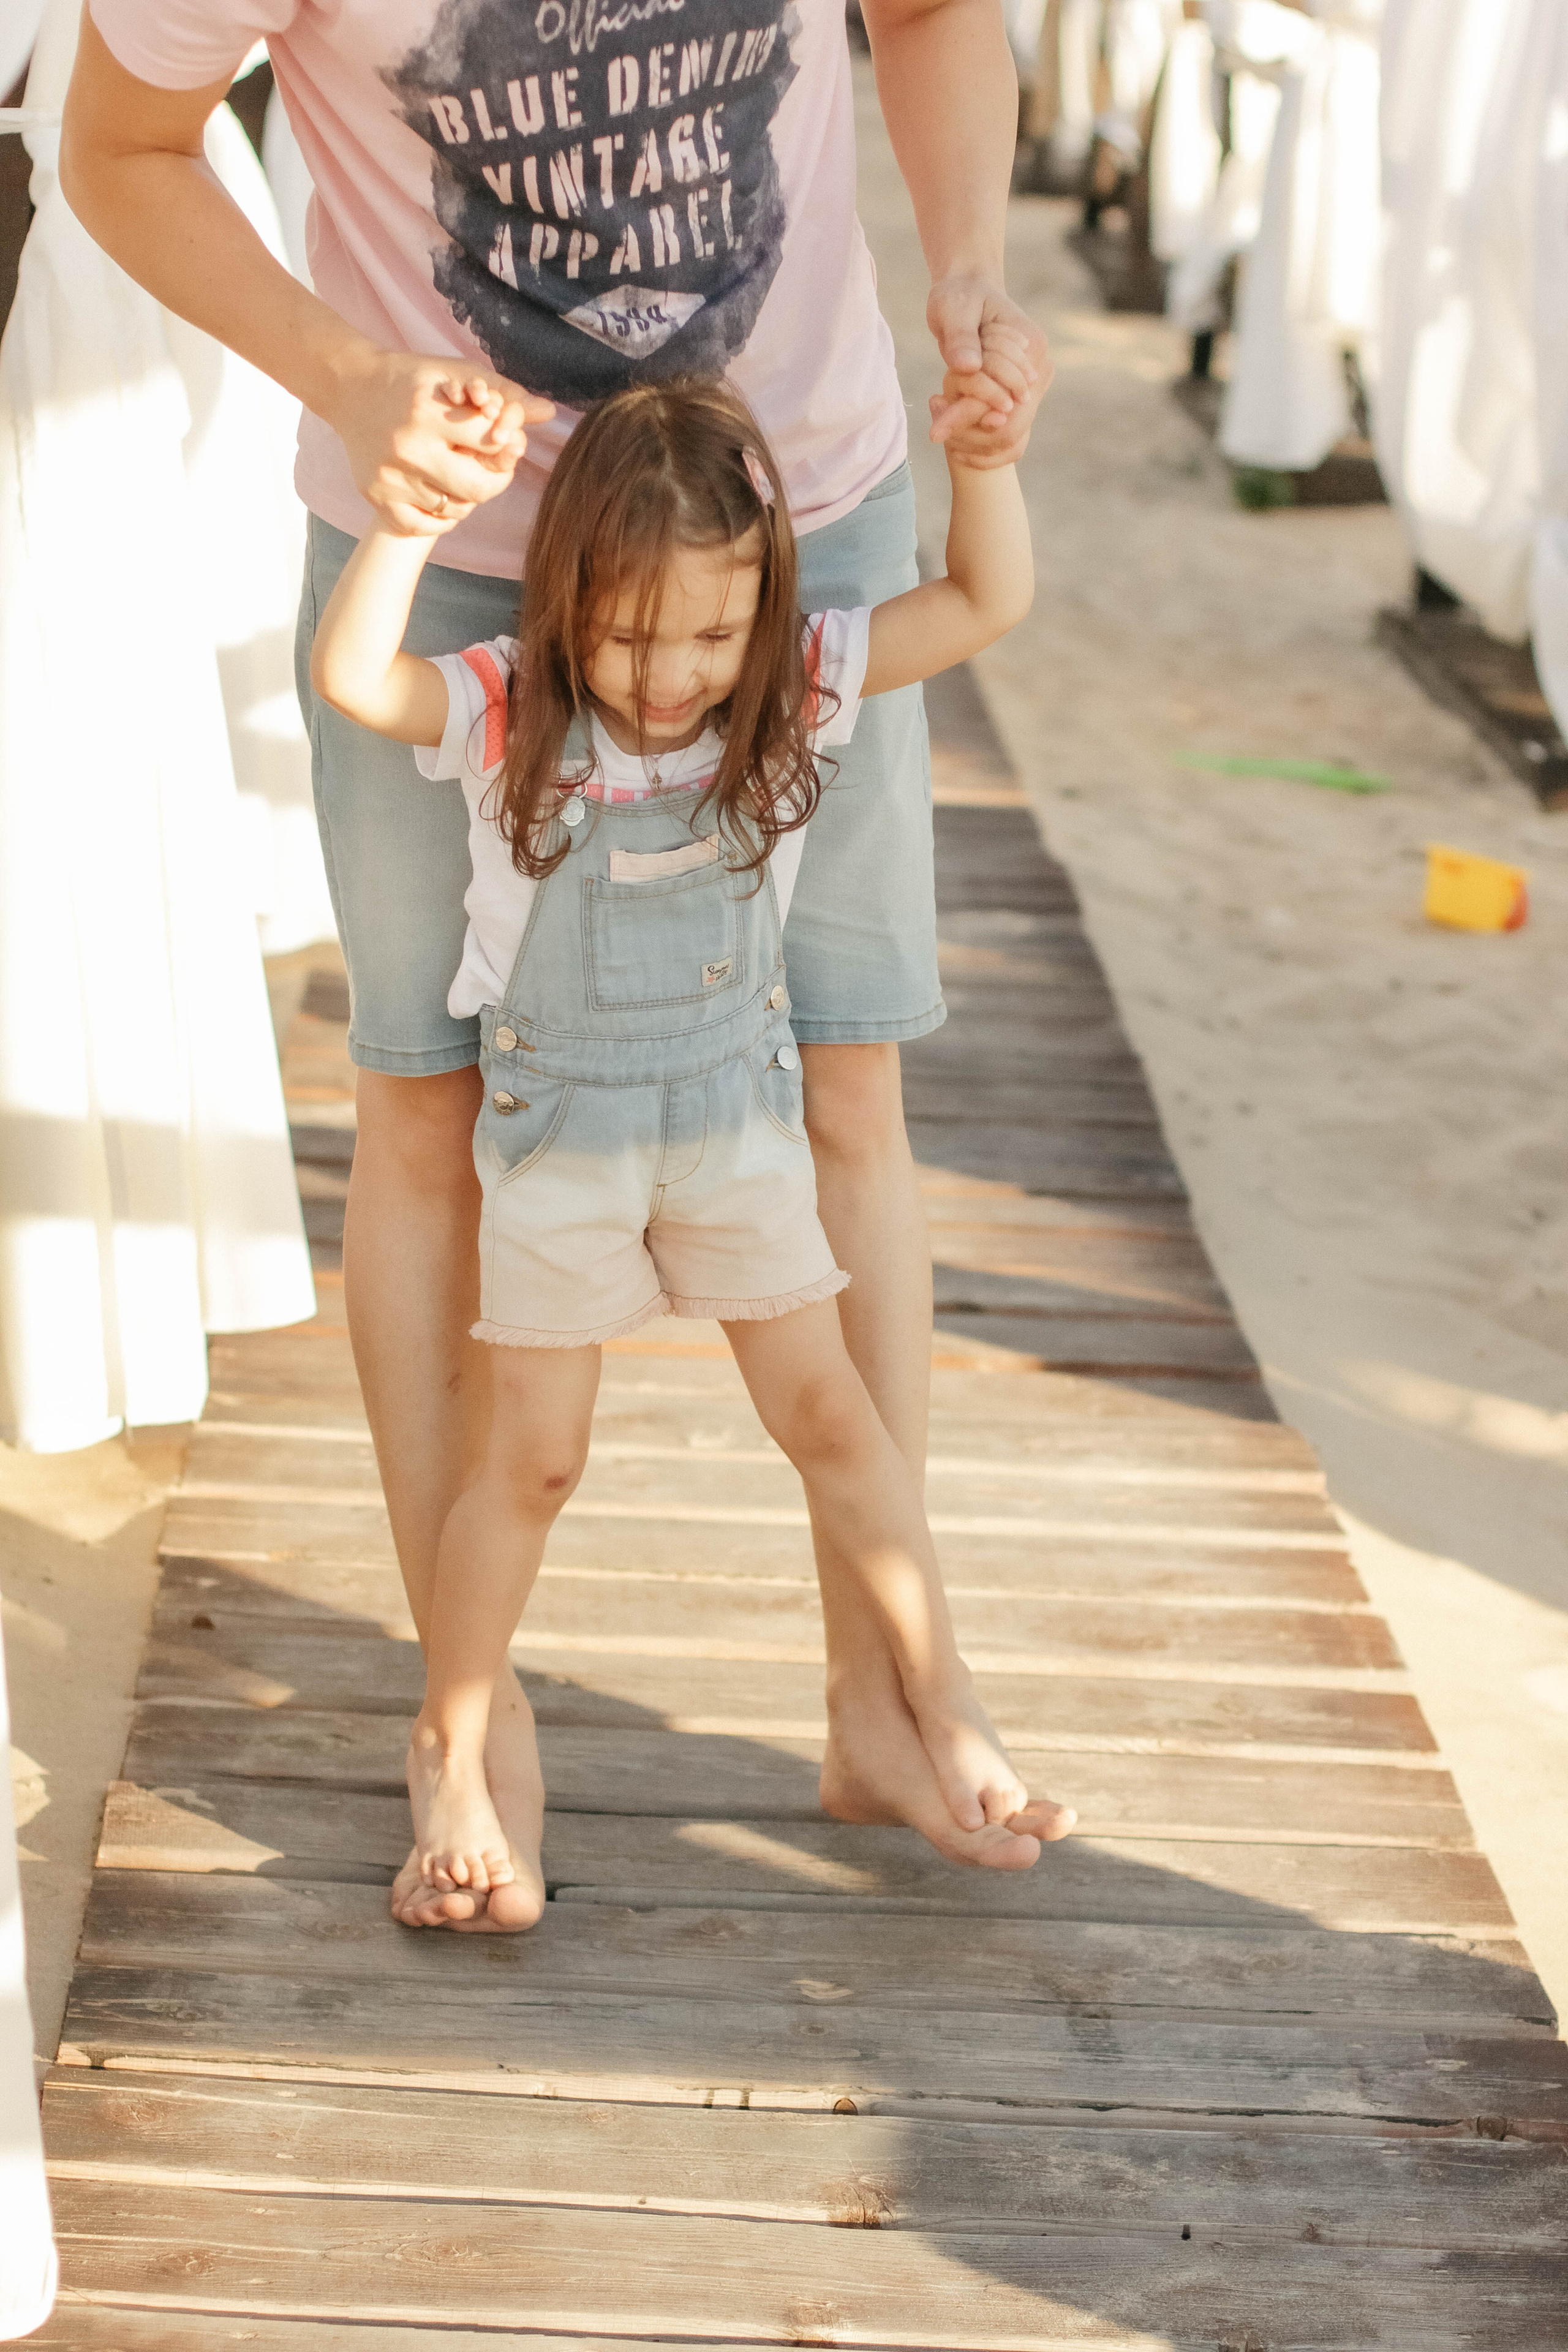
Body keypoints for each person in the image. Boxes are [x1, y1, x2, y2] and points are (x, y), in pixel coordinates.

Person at [61, 0, 1065, 1928]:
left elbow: (938, 20)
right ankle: (468, 1719)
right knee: (426, 1103)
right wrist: (350, 379)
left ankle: (882, 1689)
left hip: (799, 527)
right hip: (447, 550)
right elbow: (121, 147)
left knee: (847, 1070)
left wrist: (972, 276)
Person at [309, 376, 1071, 1914]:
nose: (669, 678)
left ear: (766, 612)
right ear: (562, 598)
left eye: (709, 637)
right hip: (561, 1162)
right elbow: (355, 682)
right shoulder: (511, 705)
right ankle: (457, 1741)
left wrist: (981, 462)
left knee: (838, 1424)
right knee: (532, 1461)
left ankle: (938, 1698)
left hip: (738, 1144)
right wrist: (400, 525)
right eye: (630, 634)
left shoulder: (794, 688)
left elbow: (986, 598)